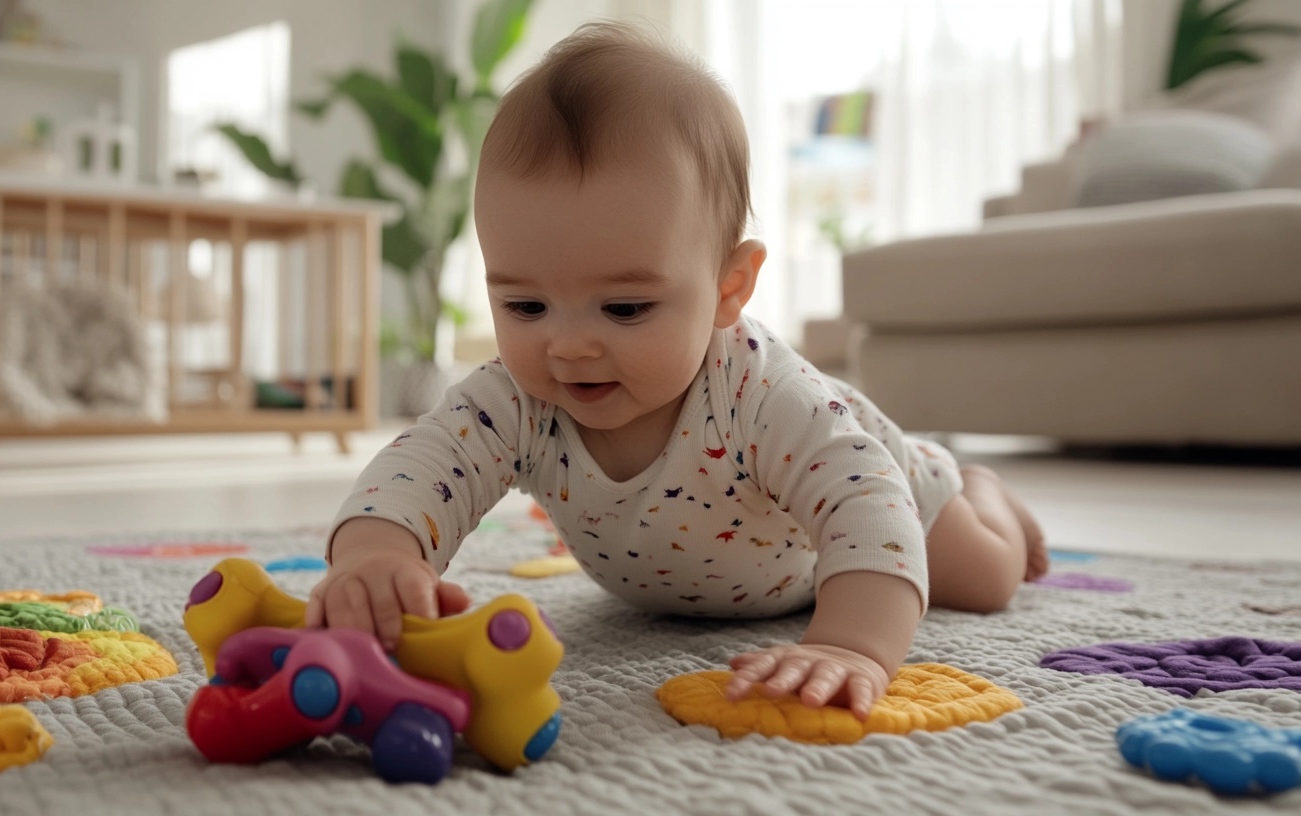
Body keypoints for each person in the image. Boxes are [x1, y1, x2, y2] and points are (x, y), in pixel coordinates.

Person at [305, 21, 1048, 720]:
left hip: (872, 480)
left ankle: (982, 491)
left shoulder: (765, 398)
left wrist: (848, 645)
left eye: (624, 309)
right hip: (691, 579)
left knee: (983, 580)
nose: (570, 347)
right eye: (526, 305)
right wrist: (377, 558)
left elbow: (869, 508)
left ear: (729, 289)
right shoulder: (516, 399)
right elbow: (419, 469)